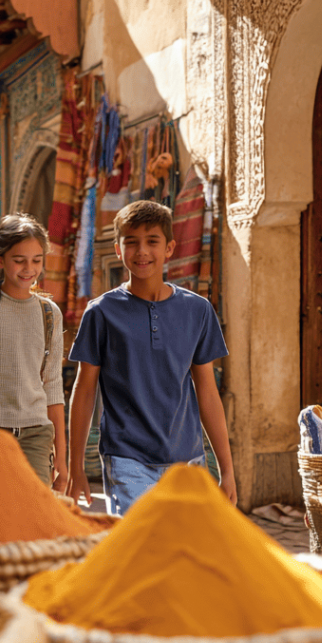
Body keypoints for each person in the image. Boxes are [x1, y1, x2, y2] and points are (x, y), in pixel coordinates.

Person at [65, 199, 237, 514]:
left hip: (188, 462)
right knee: (141, 542)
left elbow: (207, 391)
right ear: (118, 250)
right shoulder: (101, 313)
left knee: (186, 543)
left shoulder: (197, 310)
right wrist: (75, 466)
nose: (142, 251)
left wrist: (226, 470)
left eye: (152, 241)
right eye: (131, 242)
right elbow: (85, 389)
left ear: (169, 248)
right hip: (126, 460)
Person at [0, 214, 65, 488]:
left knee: (33, 509)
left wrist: (62, 460)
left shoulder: (50, 314)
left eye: (37, 260)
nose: (29, 268)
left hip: (36, 436)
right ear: (0, 260)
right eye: (19, 260)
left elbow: (53, 386)